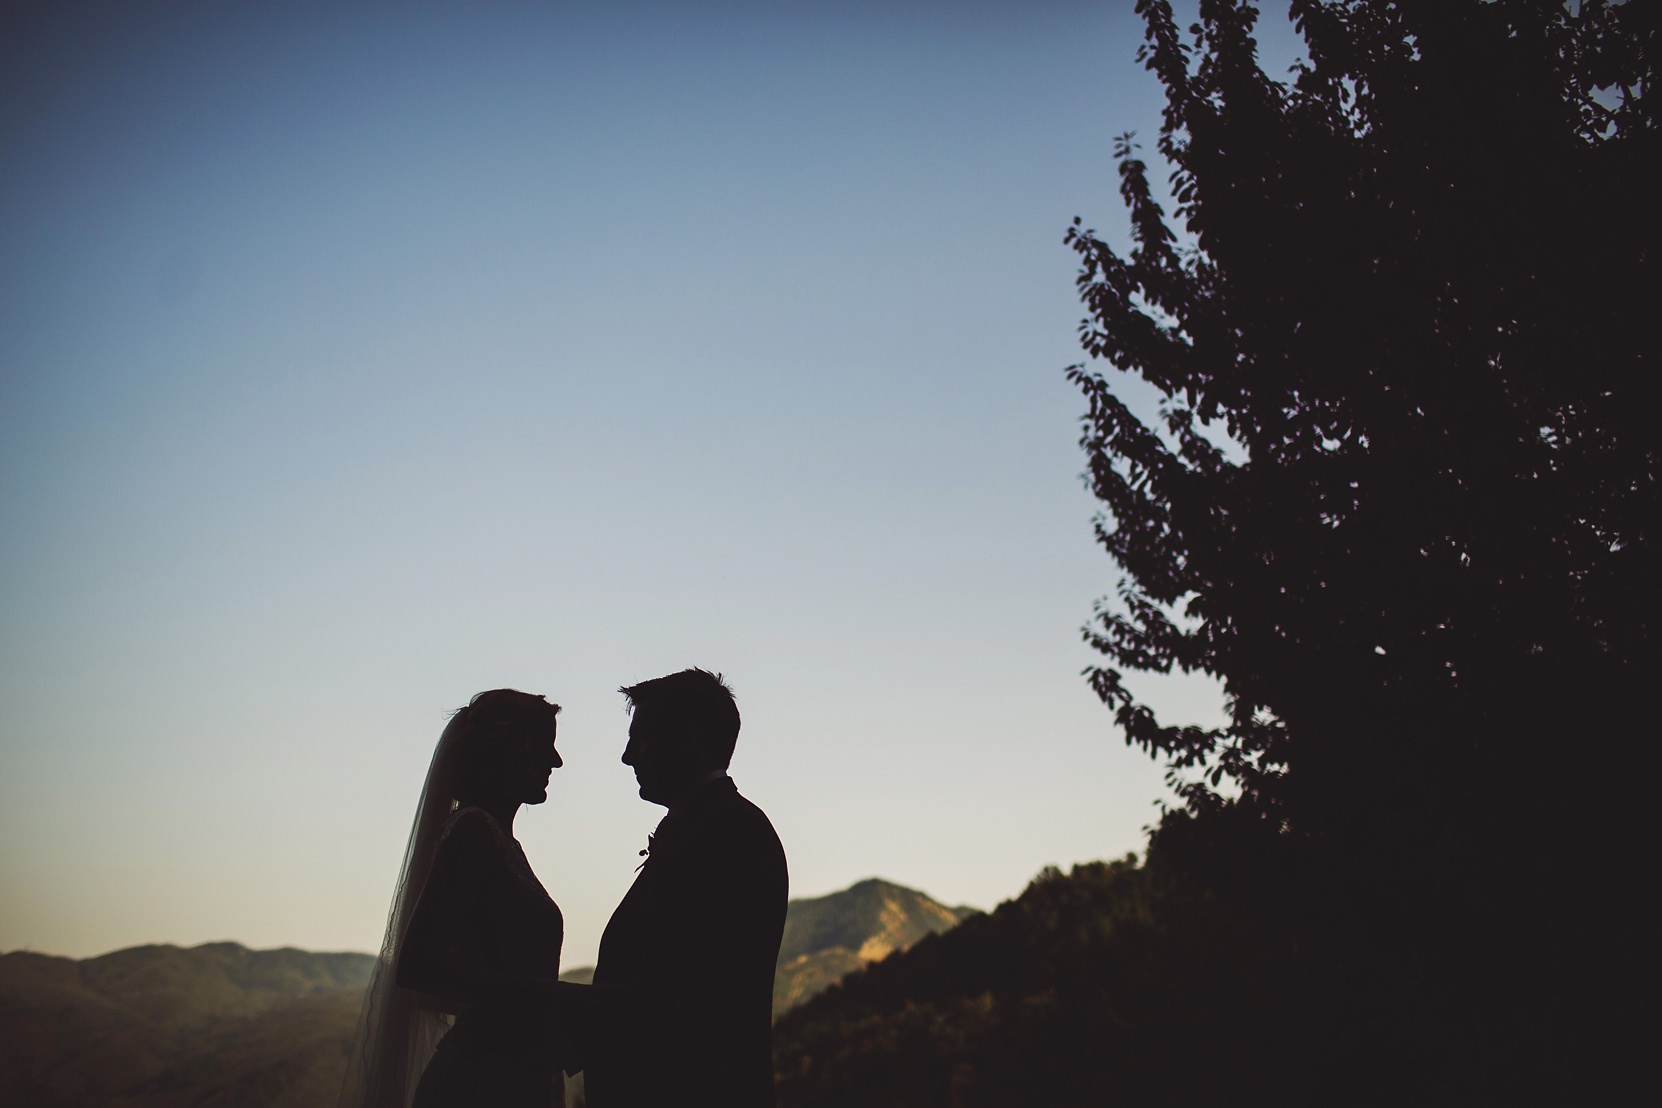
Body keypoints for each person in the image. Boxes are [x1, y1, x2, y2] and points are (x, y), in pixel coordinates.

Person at [560, 668, 788, 1108]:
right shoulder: (703, 825)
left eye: (640, 737)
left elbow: (686, 993)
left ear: (689, 737)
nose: (627, 756)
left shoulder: (731, 832)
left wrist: (535, 1010)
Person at [339, 689, 567, 1108]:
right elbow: (417, 967)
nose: (556, 762)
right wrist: (554, 999)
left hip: (512, 1068)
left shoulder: (501, 840)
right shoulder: (474, 832)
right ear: (510, 750)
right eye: (545, 746)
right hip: (483, 1082)